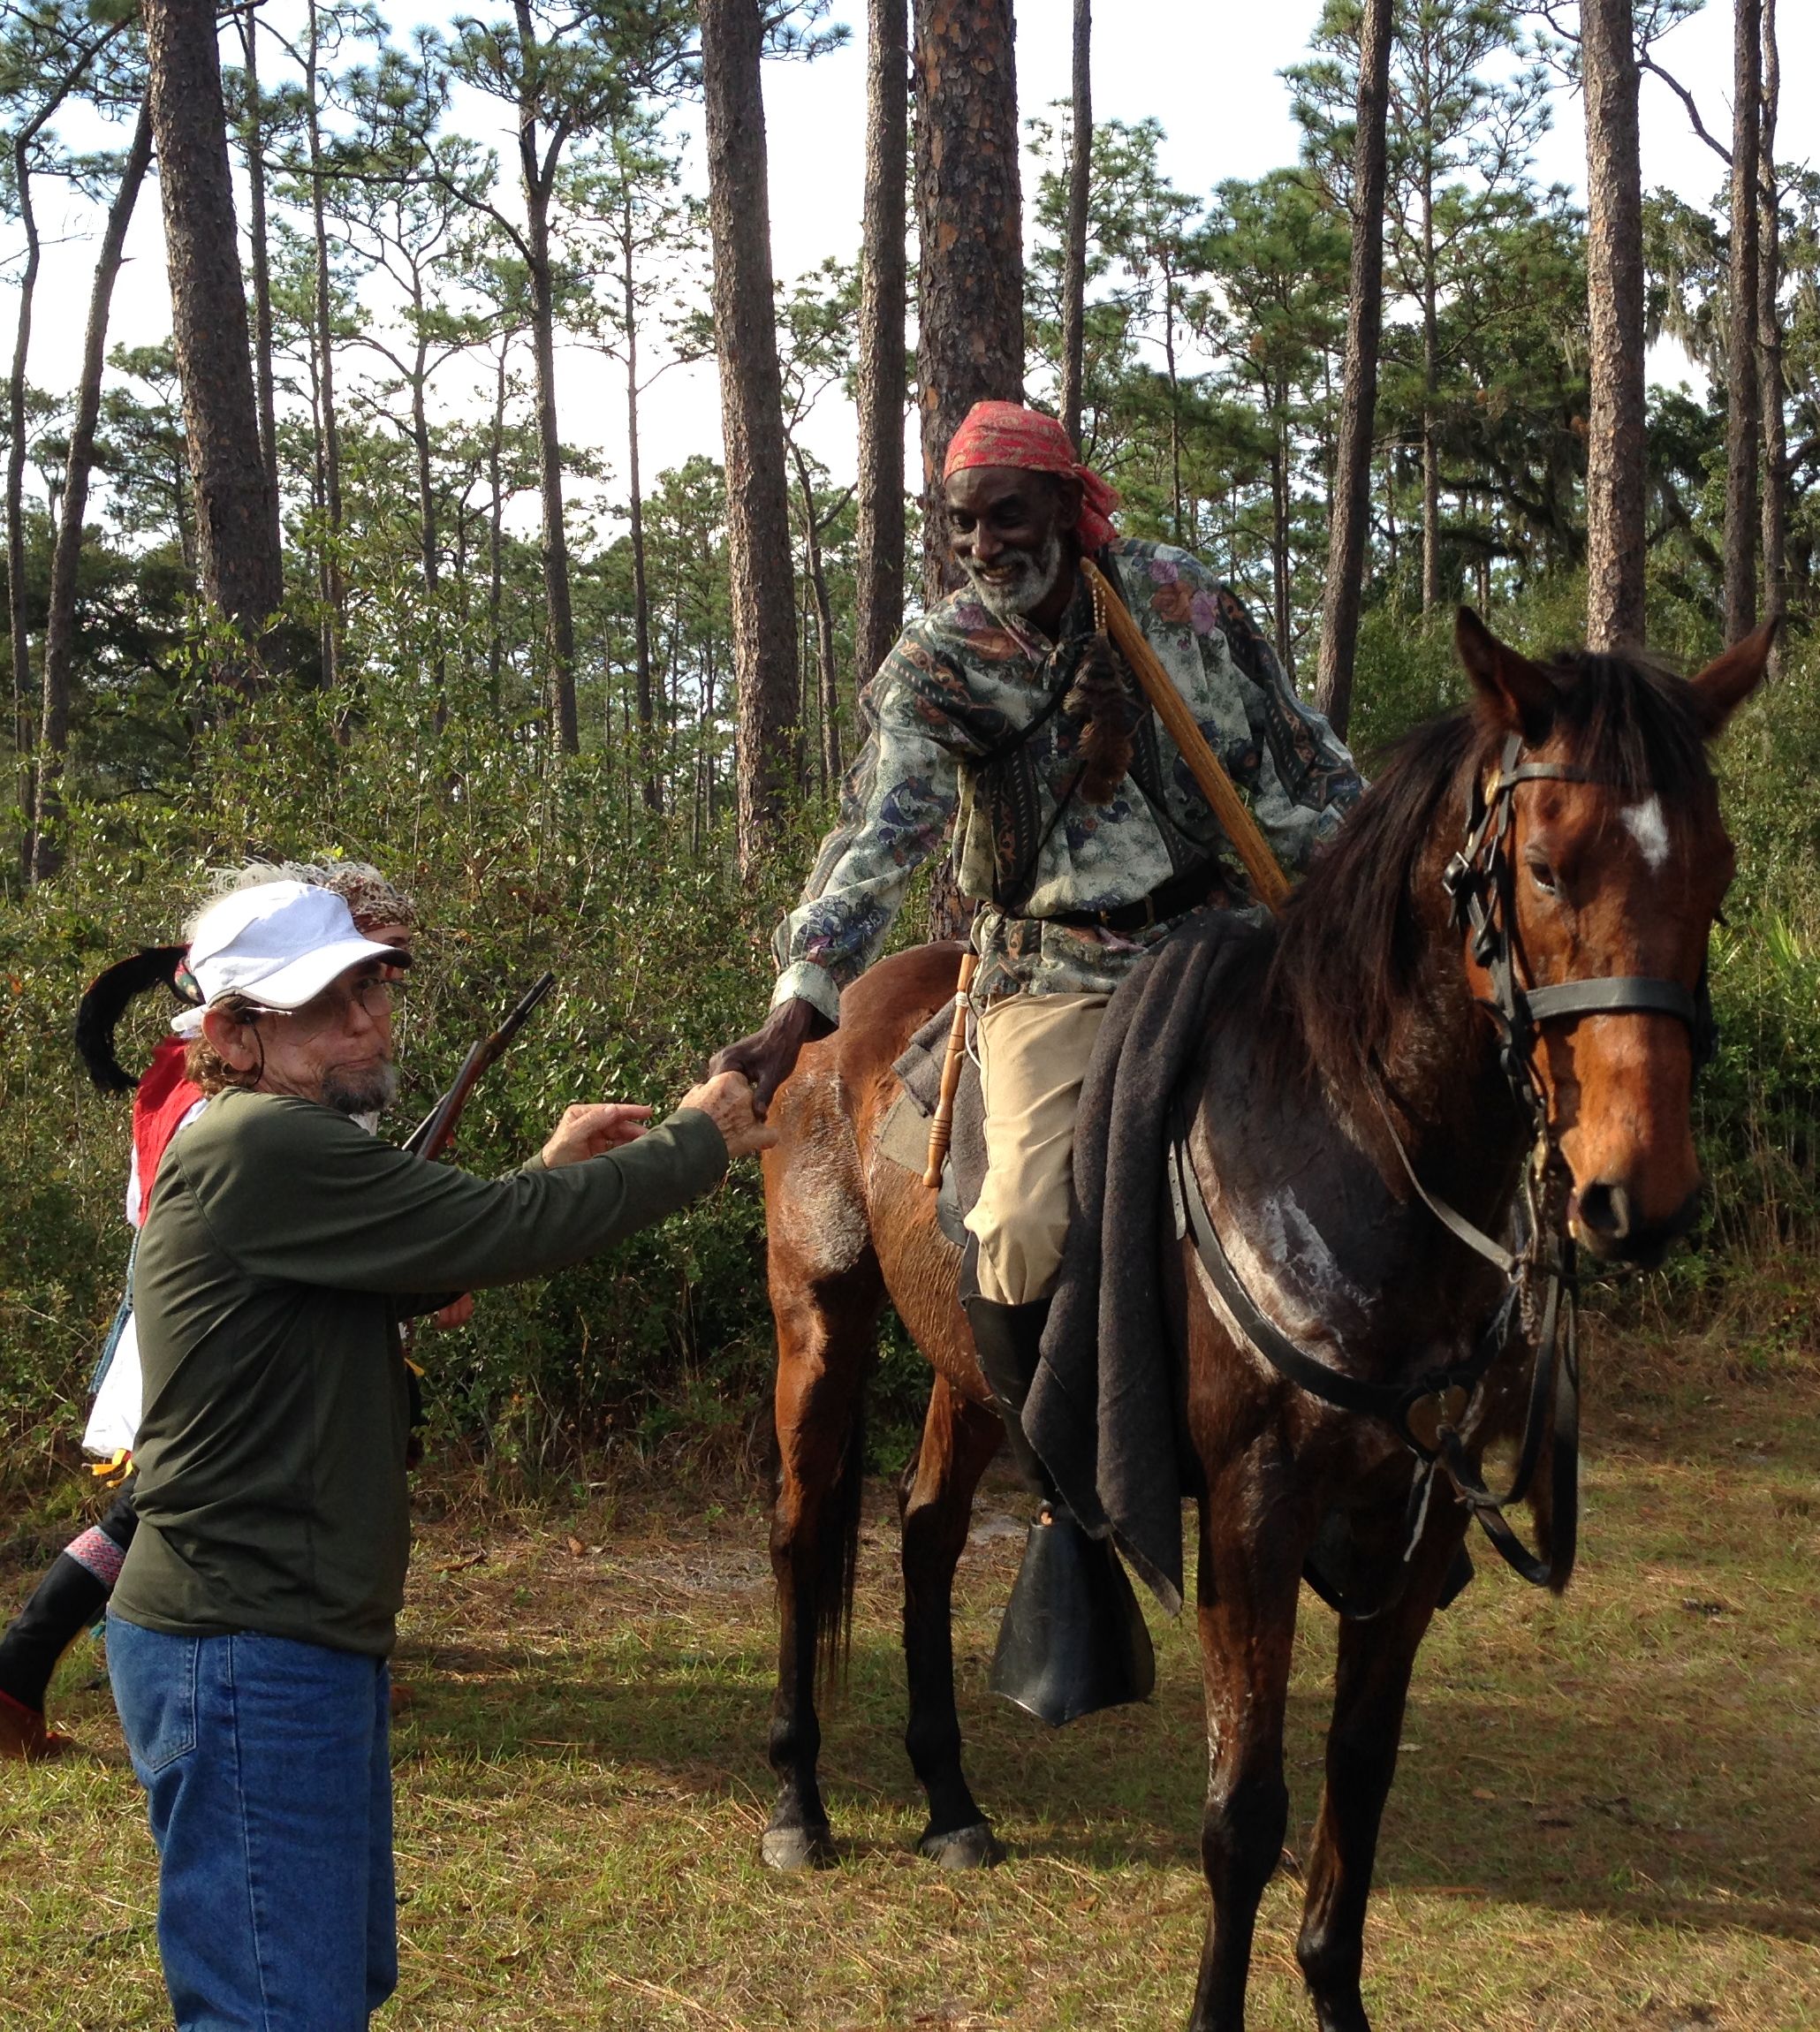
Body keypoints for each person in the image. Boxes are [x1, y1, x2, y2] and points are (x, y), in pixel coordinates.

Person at [715, 400, 1361, 1708]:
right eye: (959, 521)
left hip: (1233, 942)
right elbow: (880, 838)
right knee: (1011, 1221)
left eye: (1008, 513)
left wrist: (1365, 886)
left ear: (1072, 505)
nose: (981, 542)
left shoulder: (1180, 600)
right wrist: (801, 999)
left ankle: (1375, 1459)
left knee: (1369, 1153)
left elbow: (1300, 762)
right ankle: (1077, 1499)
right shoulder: (946, 658)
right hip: (1056, 970)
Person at [103, 875, 770, 2031]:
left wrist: (556, 1170)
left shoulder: (282, 1142)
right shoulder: (264, 1144)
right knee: (278, 2007)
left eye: (369, 989)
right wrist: (693, 1141)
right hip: (246, 1644)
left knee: (321, 1989)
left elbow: (435, 1262)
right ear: (231, 1037)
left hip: (283, 1637)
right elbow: (493, 1232)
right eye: (325, 1003)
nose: (366, 1020)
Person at [0, 861, 422, 1763]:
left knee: (153, 1508)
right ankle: (22, 1662)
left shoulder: (190, 1066)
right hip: (226, 1323)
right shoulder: (247, 1091)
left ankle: (21, 1667)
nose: (377, 1000)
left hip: (204, 1301)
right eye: (368, 970)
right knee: (155, 1511)